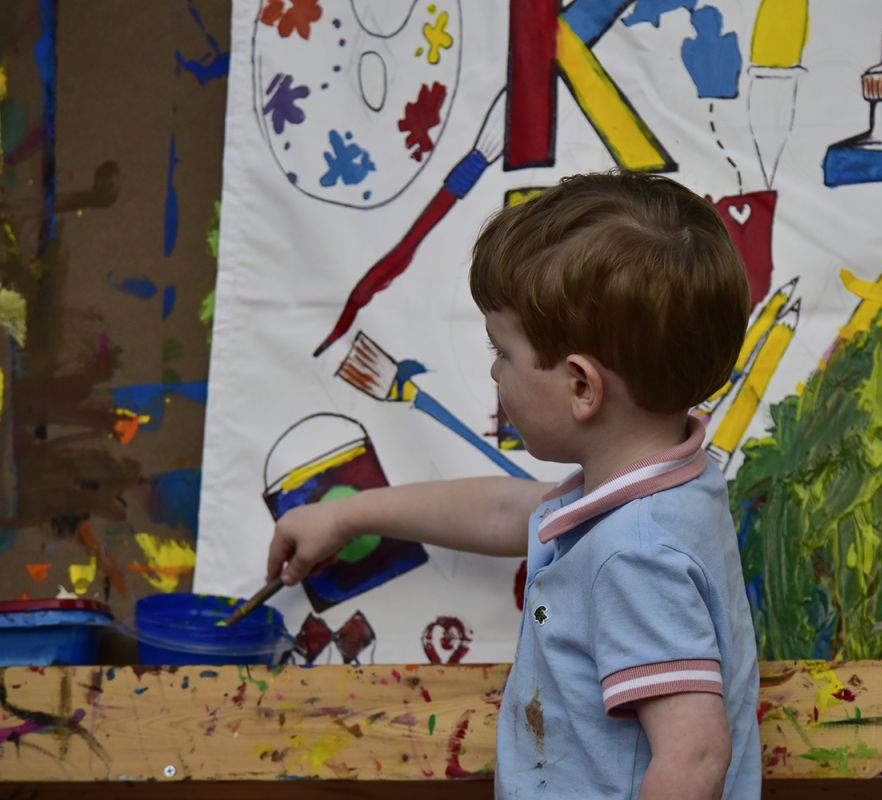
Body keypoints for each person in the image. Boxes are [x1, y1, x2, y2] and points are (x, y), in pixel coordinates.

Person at [266, 170, 761, 799]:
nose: (495, 371)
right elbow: (506, 510)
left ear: (581, 387)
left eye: (502, 351)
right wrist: (347, 515)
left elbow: (693, 755)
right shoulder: (660, 495)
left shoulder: (636, 552)